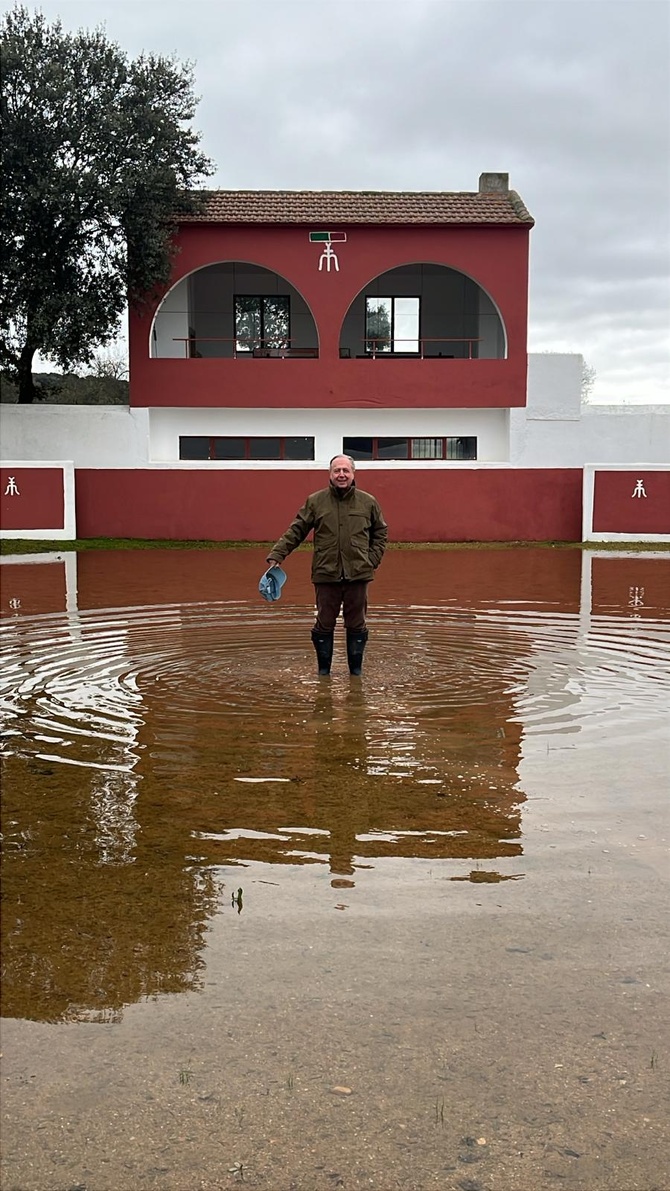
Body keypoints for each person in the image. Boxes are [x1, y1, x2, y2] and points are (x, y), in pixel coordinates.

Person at [266, 455, 388, 676]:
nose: (341, 475)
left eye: (345, 470)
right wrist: (277, 555)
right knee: (324, 623)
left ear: (353, 473)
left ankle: (356, 673)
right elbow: (297, 530)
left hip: (359, 574)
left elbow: (380, 532)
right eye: (336, 471)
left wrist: (372, 559)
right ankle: (323, 673)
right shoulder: (315, 501)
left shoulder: (368, 502)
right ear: (330, 474)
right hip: (325, 573)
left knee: (357, 624)